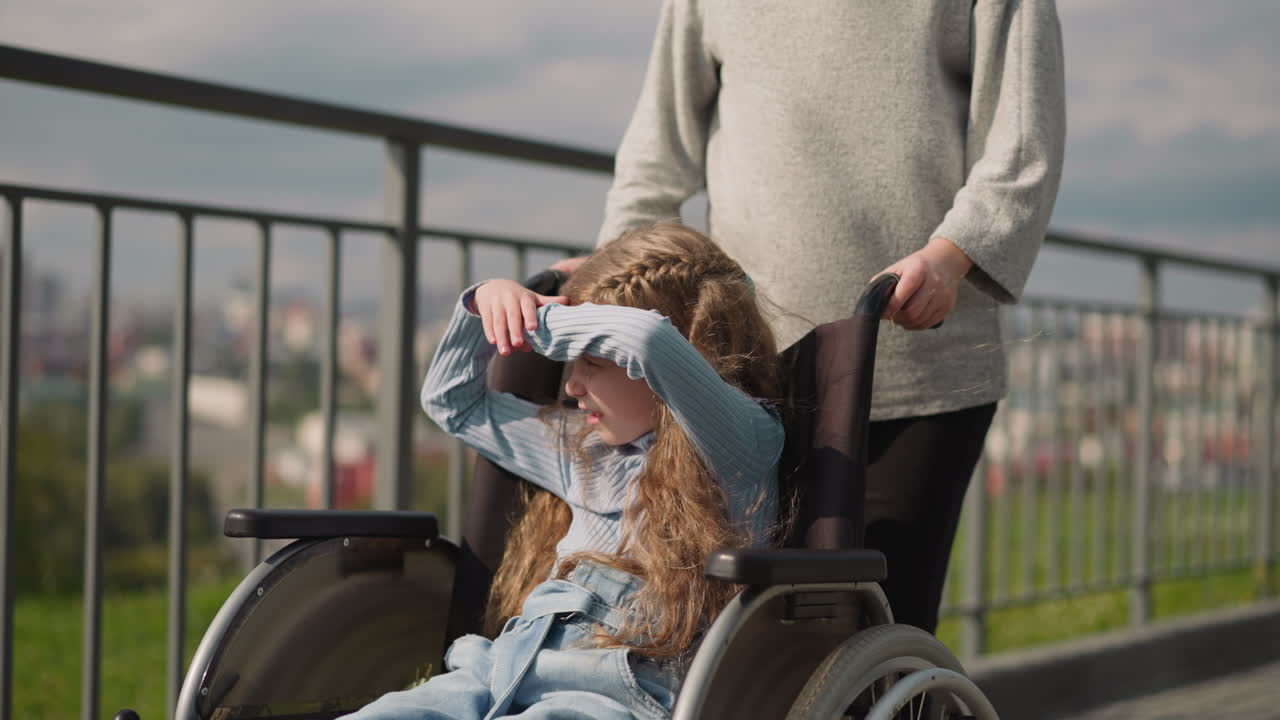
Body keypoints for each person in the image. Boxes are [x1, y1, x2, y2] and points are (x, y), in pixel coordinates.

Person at [579, 0, 1067, 635]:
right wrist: (605, 283)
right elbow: (655, 160)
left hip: (919, 366)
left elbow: (1023, 142)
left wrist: (952, 258)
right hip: (744, 379)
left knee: (881, 627)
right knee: (746, 641)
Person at [342, 222, 783, 719]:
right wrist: (495, 298)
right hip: (498, 672)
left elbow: (648, 337)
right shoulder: (584, 453)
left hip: (610, 695)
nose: (571, 386)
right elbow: (450, 403)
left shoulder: (743, 447)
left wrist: (550, 323)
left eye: (591, 361)